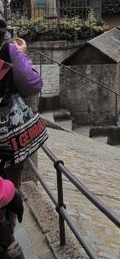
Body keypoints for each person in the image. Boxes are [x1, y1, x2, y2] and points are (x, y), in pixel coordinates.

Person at [0, 14, 43, 259]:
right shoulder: (7, 48)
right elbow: (32, 84)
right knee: (9, 186)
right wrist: (22, 55)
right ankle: (8, 239)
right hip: (8, 131)